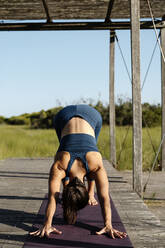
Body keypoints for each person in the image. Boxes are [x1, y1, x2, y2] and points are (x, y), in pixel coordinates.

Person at [30, 104, 127, 239]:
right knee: (79, 150)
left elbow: (53, 197)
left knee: (88, 147)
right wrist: (107, 224)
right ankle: (82, 193)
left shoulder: (61, 166)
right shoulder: (80, 165)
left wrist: (48, 224)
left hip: (84, 116)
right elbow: (104, 197)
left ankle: (90, 194)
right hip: (67, 116)